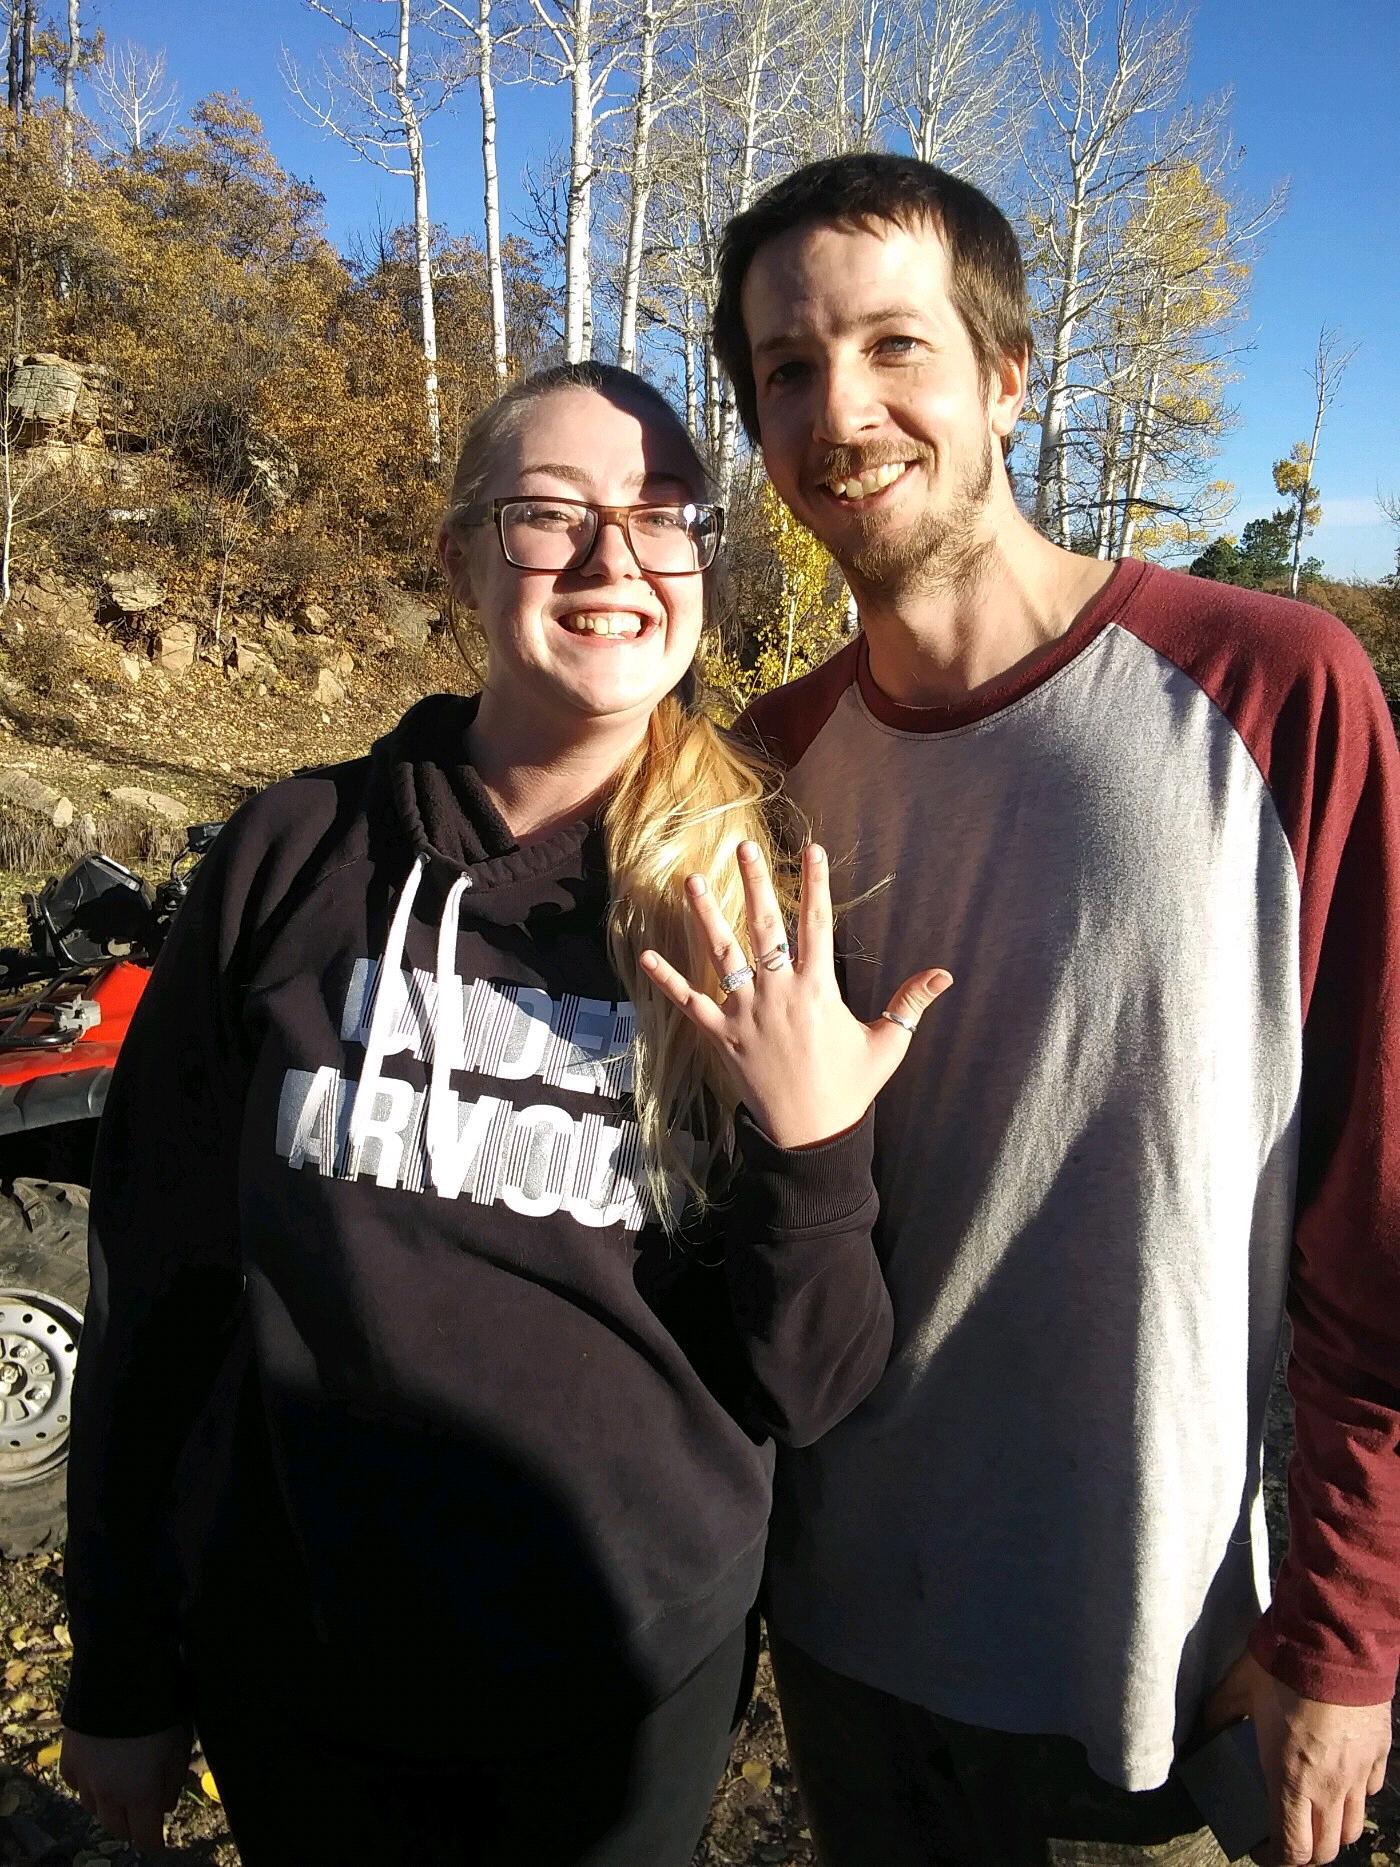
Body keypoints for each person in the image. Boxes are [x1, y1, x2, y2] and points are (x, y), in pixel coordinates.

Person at [57, 360, 951, 1866]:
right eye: (551, 513)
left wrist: (813, 1156)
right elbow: (157, 1285)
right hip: (305, 1680)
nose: (614, 561)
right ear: (462, 556)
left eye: (663, 517)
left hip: (621, 1705)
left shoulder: (749, 895)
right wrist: (125, 1667)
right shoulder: (292, 856)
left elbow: (809, 1388)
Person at [710, 153, 1400, 1867]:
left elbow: (1374, 1207)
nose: (839, 412)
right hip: (848, 1642)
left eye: (894, 346)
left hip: (1156, 1669)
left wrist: (1345, 1625)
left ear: (1009, 376)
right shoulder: (763, 771)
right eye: (788, 369)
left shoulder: (1273, 686)